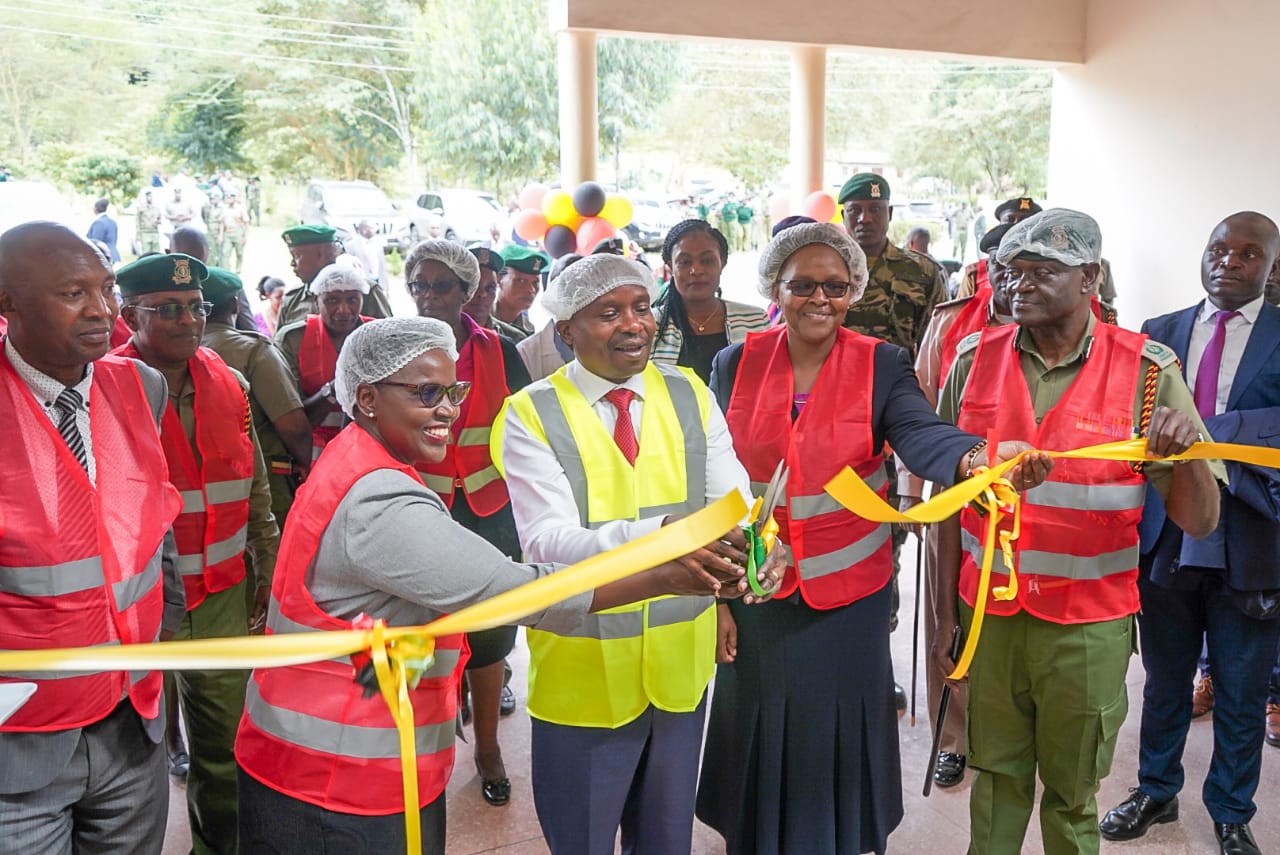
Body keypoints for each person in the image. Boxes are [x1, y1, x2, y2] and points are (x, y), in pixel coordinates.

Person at [234, 316, 749, 852]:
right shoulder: (377, 502)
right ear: (365, 397)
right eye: (427, 392)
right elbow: (513, 593)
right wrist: (666, 576)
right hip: (335, 781)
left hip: (338, 759)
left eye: (453, 391)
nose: (448, 410)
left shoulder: (358, 460)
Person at [696, 222, 1048, 855]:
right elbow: (712, 481)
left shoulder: (880, 362)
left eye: (835, 285)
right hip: (755, 594)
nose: (820, 299)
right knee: (759, 722)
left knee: (837, 730)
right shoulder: (734, 362)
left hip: (848, 599)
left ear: (854, 289)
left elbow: (920, 433)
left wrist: (977, 458)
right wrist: (719, 595)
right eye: (803, 285)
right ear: (776, 287)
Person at [933, 209, 1220, 855]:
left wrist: (1187, 453)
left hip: (1088, 628)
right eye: (1009, 271)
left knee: (1070, 796)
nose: (1017, 285)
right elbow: (945, 501)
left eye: (1042, 271)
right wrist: (947, 611)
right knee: (997, 782)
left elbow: (1200, 520)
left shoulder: (1148, 372)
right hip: (993, 615)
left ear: (1090, 277)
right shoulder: (974, 359)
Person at [493, 253, 775, 855]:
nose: (633, 324)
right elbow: (546, 542)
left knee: (666, 843)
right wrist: (665, 532)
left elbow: (733, 500)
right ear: (565, 331)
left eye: (642, 307)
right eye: (608, 313)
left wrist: (756, 549)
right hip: (584, 678)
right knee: (584, 842)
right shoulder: (530, 413)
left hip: (679, 672)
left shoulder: (689, 392)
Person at [0, 222, 185, 854]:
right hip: (19, 745)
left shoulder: (140, 386)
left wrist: (168, 662)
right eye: (73, 293)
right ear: (9, 304)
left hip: (133, 726)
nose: (104, 311)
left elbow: (153, 534)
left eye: (106, 289)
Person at [1099, 211, 1280, 855]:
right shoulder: (1159, 333)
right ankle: (1155, 788)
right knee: (1166, 675)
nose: (1228, 262)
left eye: (1247, 254)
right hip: (1168, 533)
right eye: (1218, 249)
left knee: (1240, 683)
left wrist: (1219, 433)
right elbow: (1132, 426)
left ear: (1270, 267)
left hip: (1252, 534)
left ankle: (1231, 811)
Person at [111, 253, 280, 855]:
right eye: (169, 310)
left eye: (196, 308)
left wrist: (267, 561)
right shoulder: (103, 388)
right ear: (130, 315)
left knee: (225, 750)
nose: (187, 321)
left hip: (221, 592)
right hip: (137, 604)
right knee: (131, 758)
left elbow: (254, 487)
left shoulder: (228, 382)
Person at [404, 240, 530, 806]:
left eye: (441, 286)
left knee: (490, 634)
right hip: (418, 512)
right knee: (420, 631)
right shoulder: (397, 351)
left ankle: (487, 748)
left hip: (488, 514)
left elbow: (531, 431)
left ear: (467, 291)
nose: (428, 297)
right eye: (419, 286)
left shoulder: (502, 351)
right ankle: (423, 751)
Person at [899, 221, 1016, 790]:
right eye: (1002, 258)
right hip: (954, 498)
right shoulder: (951, 323)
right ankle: (954, 738)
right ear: (984, 263)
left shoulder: (1088, 325)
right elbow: (919, 408)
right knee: (947, 622)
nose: (1014, 273)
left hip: (1032, 506)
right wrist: (913, 492)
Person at [839, 171, 950, 709]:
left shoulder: (922, 273)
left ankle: (874, 671)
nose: (865, 218)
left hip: (894, 426)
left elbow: (936, 353)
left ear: (889, 214)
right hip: (831, 420)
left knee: (887, 549)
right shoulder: (827, 265)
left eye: (874, 210)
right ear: (843, 215)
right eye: (855, 209)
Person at [202, 267, 313, 526]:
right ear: (235, 304)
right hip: (263, 482)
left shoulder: (179, 351)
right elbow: (294, 427)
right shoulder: (254, 351)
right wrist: (305, 466)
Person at [277, 262, 374, 465]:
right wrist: (332, 389)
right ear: (315, 300)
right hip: (311, 454)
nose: (343, 310)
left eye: (352, 300)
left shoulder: (377, 334)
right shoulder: (294, 339)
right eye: (332, 300)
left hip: (366, 451)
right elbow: (290, 415)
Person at [651, 219, 770, 384]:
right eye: (685, 262)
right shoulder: (650, 325)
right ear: (670, 267)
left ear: (723, 263)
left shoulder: (755, 320)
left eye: (707, 261)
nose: (696, 270)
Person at [275, 225, 393, 329]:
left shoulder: (365, 291)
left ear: (321, 255)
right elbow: (279, 349)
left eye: (295, 256)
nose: (292, 263)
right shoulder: (292, 299)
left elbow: (390, 339)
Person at [517, 253, 581, 382]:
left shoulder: (613, 345)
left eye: (583, 286)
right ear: (551, 291)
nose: (575, 295)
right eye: (566, 287)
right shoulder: (526, 352)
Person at [493, 245, 549, 342]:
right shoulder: (480, 318)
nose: (531, 289)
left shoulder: (528, 329)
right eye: (521, 281)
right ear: (499, 279)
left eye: (535, 283)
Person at [343, 220, 389, 287]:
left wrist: (386, 286)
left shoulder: (377, 243)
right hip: (361, 280)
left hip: (377, 279)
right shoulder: (351, 245)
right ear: (363, 230)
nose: (374, 230)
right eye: (371, 228)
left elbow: (382, 265)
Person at [217, 191, 249, 273]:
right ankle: (226, 271)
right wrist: (221, 235)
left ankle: (238, 270)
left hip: (238, 233)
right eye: (227, 197)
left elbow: (246, 223)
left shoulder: (240, 208)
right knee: (225, 253)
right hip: (227, 233)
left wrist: (245, 236)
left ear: (234, 198)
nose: (229, 199)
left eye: (230, 197)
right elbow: (222, 222)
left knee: (239, 253)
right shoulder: (224, 208)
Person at [85, 198, 119, 264]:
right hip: (111, 254)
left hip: (103, 256)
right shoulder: (112, 222)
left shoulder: (99, 222)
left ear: (96, 209)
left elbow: (95, 242)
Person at [137, 190, 163, 255]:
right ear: (145, 197)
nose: (149, 198)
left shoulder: (156, 208)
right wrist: (138, 234)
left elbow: (160, 219)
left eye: (150, 196)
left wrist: (158, 222)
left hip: (155, 232)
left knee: (156, 253)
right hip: (145, 232)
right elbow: (137, 221)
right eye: (148, 196)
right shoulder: (141, 208)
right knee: (146, 252)